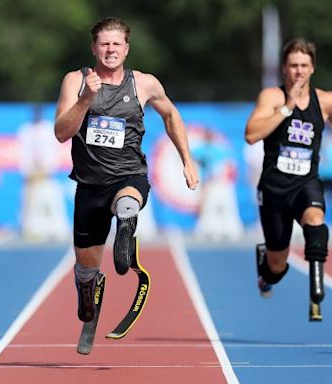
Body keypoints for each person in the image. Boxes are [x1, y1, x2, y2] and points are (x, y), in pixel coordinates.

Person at [54, 17, 199, 323]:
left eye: (116, 44)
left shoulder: (144, 83)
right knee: (86, 266)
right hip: (89, 184)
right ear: (94, 48)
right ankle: (86, 291)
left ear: (126, 49)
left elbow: (171, 116)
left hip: (128, 174)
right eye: (104, 44)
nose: (110, 50)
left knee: (128, 202)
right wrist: (85, 100)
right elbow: (61, 132)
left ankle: (126, 224)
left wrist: (186, 158)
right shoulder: (76, 81)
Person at [245, 38, 332, 320]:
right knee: (277, 266)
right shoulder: (272, 97)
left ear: (313, 68)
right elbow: (251, 135)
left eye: (304, 65)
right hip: (273, 189)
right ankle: (266, 270)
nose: (299, 71)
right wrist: (286, 108)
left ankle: (316, 291)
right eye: (293, 66)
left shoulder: (328, 101)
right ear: (284, 68)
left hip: (307, 182)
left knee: (316, 223)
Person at [18, 104, 70, 242]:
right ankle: (31, 228)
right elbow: (24, 153)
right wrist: (29, 171)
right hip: (31, 174)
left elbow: (53, 151)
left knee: (51, 200)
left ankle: (57, 228)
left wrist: (46, 168)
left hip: (46, 174)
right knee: (30, 202)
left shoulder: (48, 129)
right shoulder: (26, 130)